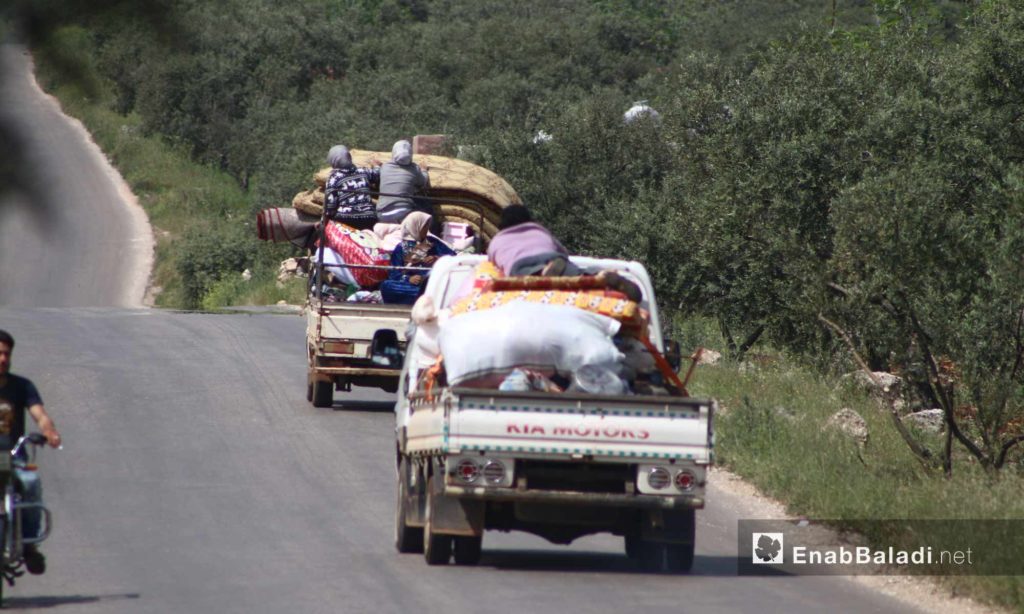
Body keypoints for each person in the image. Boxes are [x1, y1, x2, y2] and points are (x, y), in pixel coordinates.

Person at [0, 330, 61, 575]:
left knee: (31, 483)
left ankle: (29, 545)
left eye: (6, 353)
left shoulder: (22, 386)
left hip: (15, 456)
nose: (2, 359)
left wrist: (49, 432)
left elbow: (40, 415)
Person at [380, 212, 454, 304]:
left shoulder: (432, 243)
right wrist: (408, 279)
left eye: (427, 225)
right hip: (410, 285)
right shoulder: (401, 248)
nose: (427, 229)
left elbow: (453, 257)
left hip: (430, 282)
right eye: (424, 225)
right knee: (386, 285)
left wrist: (437, 258)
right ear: (415, 226)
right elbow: (394, 273)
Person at [486, 204, 579, 277]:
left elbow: (492, 261)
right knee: (569, 269)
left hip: (520, 262)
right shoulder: (539, 230)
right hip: (550, 256)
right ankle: (585, 273)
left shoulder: (497, 240)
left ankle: (541, 271)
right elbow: (562, 252)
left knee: (523, 273)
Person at [324, 145, 380, 230]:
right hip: (369, 218)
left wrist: (326, 218)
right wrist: (376, 165)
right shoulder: (363, 171)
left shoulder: (334, 178)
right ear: (349, 157)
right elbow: (377, 174)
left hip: (345, 219)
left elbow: (330, 205)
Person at [376, 140, 430, 224]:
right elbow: (423, 182)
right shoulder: (414, 169)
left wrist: (377, 166)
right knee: (427, 208)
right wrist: (424, 170)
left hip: (382, 214)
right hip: (404, 213)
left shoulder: (385, 167)